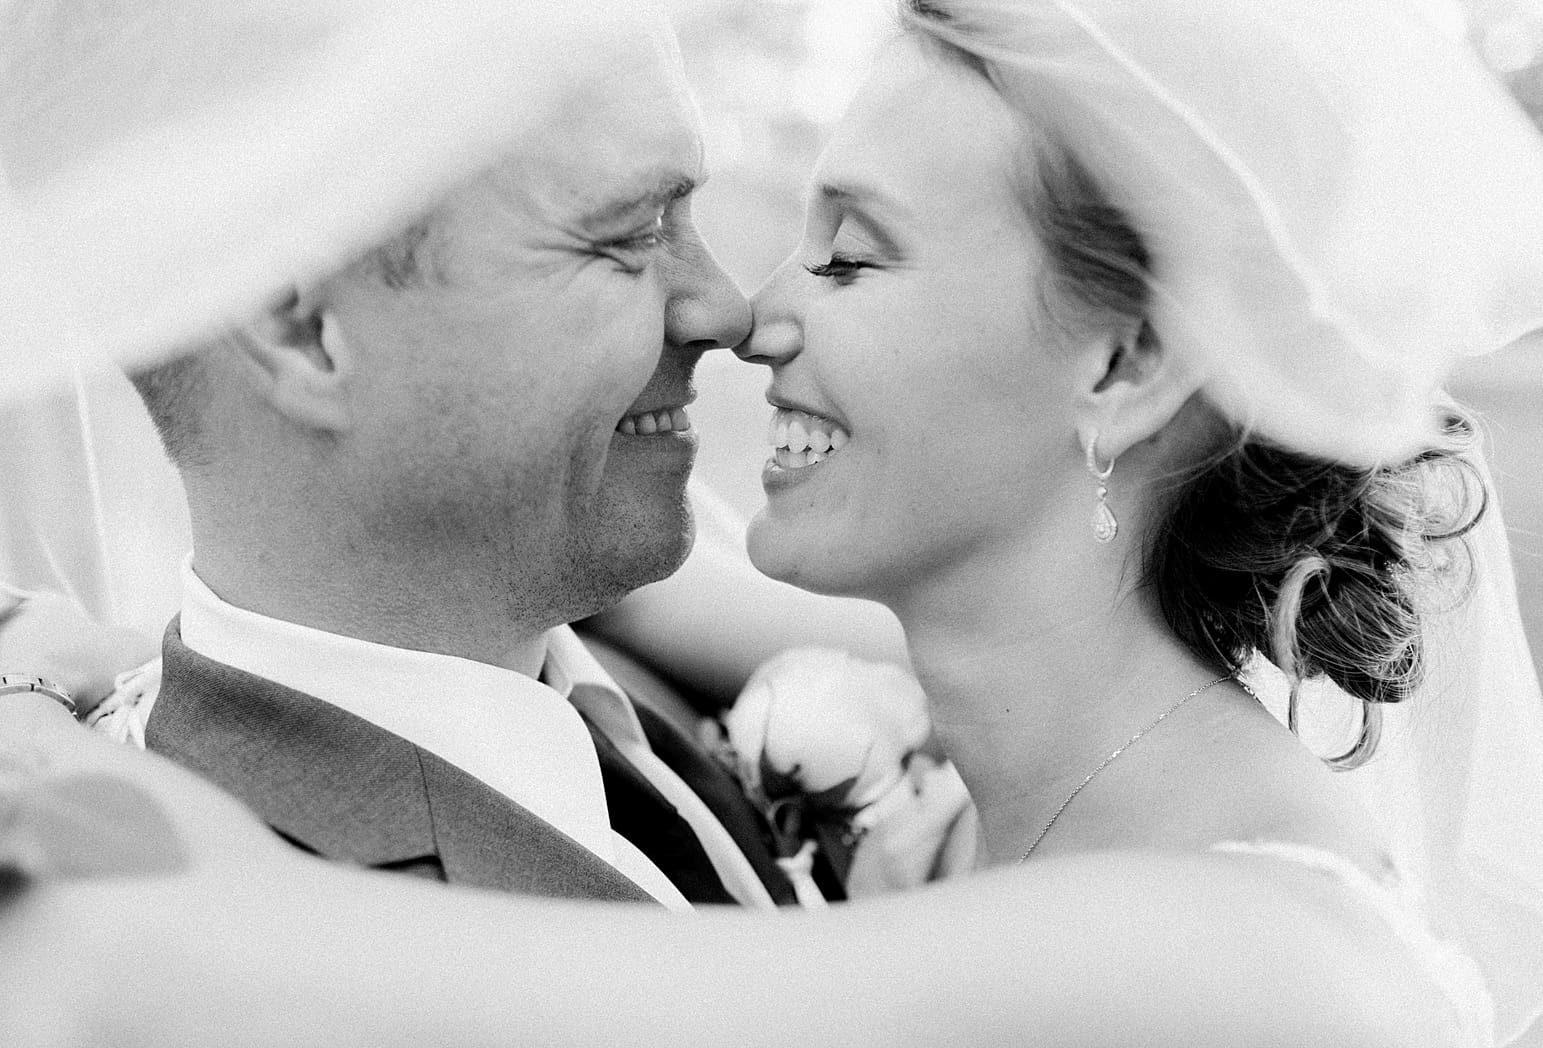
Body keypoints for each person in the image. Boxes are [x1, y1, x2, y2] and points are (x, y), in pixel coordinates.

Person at [5, 0, 1543, 1045]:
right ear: (303, 335)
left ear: (1129, 366)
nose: (742, 311)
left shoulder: (1243, 960)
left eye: (854, 257)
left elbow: (150, 940)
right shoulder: (980, 809)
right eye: (624, 236)